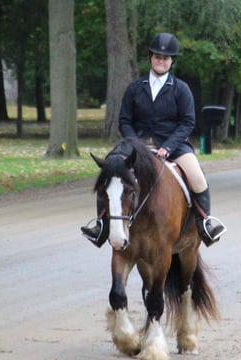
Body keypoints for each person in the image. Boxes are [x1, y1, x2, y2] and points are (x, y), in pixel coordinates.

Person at [81, 32, 227, 247]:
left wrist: (168, 147)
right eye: (157, 56)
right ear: (150, 58)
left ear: (172, 61)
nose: (161, 61)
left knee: (197, 176)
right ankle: (101, 225)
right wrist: (134, 142)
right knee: (110, 171)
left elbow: (187, 122)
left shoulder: (181, 89)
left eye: (165, 58)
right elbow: (124, 120)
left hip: (173, 145)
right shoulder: (134, 88)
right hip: (136, 145)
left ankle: (205, 222)